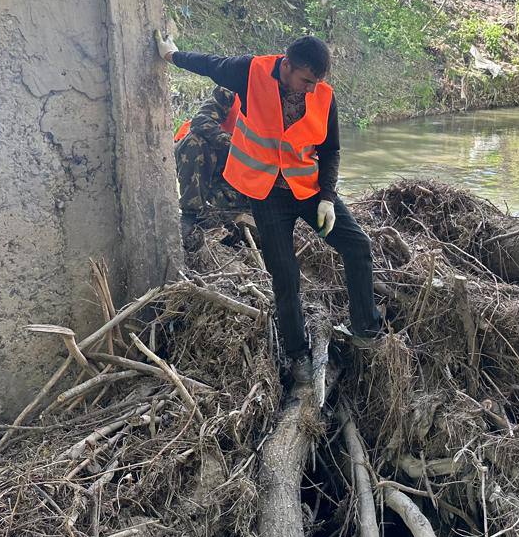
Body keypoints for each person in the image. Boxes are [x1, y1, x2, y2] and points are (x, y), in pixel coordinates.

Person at [155, 31, 383, 381]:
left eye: (317, 82)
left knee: (358, 246)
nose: (310, 89)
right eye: (306, 80)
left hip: (307, 190)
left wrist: (327, 197)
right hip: (267, 194)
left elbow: (331, 149)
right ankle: (297, 355)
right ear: (287, 66)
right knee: (285, 273)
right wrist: (172, 55)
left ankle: (366, 331)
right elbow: (209, 64)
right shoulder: (251, 72)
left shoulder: (323, 96)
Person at [174, 85, 249, 250]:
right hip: (216, 165)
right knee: (194, 141)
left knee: (237, 226)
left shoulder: (283, 104)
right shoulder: (231, 91)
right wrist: (235, 147)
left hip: (246, 177)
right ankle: (189, 215)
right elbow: (200, 121)